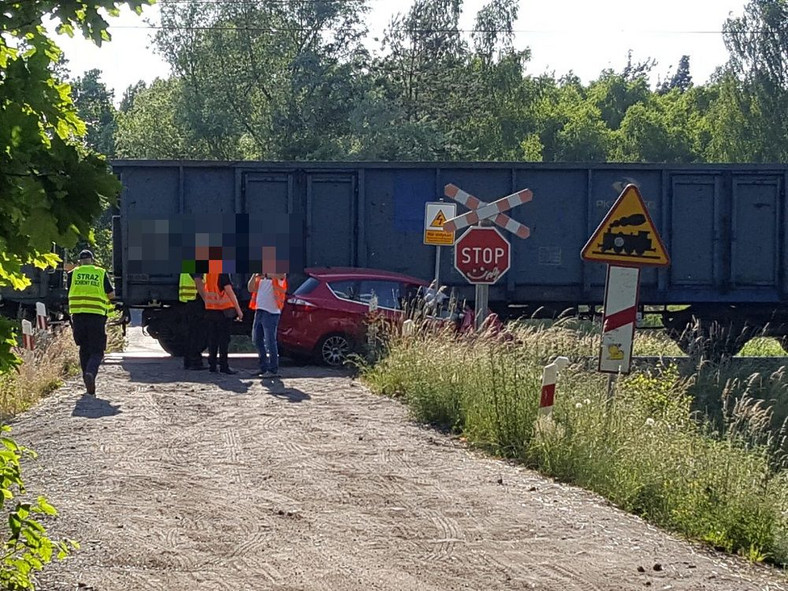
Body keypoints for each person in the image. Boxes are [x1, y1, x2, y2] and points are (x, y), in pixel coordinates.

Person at [67, 249, 114, 396]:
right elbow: (111, 295)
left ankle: (85, 378)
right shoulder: (100, 272)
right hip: (96, 316)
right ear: (92, 260)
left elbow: (69, 291)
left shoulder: (72, 274)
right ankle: (91, 373)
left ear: (80, 261)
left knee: (83, 348)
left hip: (78, 316)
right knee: (97, 350)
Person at [247, 272, 287, 378]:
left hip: (271, 312)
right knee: (256, 339)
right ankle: (263, 367)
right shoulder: (260, 277)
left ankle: (273, 369)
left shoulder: (277, 275)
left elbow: (281, 275)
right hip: (259, 310)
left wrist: (265, 274)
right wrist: (254, 275)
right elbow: (250, 288)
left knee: (270, 341)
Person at [203, 272, 243, 374]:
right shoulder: (222, 274)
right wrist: (238, 310)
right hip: (223, 311)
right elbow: (229, 292)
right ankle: (224, 366)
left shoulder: (209, 274)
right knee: (224, 340)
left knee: (213, 339)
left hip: (211, 309)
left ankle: (212, 365)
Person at [178, 272, 208, 370]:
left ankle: (188, 362)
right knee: (197, 333)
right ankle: (195, 362)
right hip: (196, 301)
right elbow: (198, 282)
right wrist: (207, 301)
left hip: (189, 300)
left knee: (190, 333)